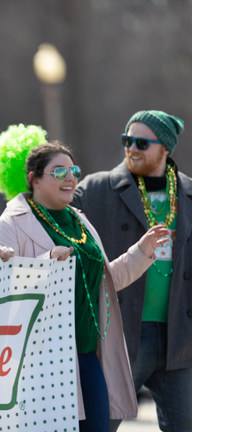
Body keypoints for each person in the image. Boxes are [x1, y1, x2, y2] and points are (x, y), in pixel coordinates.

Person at [0, 130, 170, 432]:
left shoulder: (79, 221)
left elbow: (106, 282)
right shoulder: (10, 223)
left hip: (87, 356)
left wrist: (141, 252)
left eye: (74, 171)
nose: (70, 178)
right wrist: (45, 264)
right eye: (59, 171)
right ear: (34, 179)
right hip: (39, 361)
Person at [72, 110, 191, 432]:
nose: (131, 149)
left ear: (165, 149)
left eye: (141, 142)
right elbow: (53, 217)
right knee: (99, 425)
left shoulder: (192, 195)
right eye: (127, 140)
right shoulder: (95, 189)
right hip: (120, 332)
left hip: (180, 339)